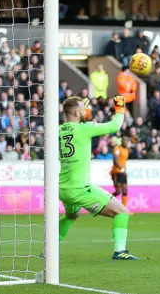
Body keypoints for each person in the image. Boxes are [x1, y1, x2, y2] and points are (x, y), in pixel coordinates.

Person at [58, 96, 139, 260]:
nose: (85, 111)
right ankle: (119, 251)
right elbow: (115, 125)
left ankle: (48, 249)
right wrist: (120, 107)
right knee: (122, 212)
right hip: (79, 188)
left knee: (71, 215)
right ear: (75, 112)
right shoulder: (84, 128)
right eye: (82, 108)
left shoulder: (58, 131)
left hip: (62, 187)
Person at [111, 137, 131, 207]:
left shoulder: (126, 150)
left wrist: (124, 170)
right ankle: (106, 201)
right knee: (118, 191)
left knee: (125, 190)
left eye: (127, 141)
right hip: (116, 172)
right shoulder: (117, 149)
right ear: (122, 141)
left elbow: (124, 162)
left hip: (122, 172)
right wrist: (121, 168)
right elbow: (115, 161)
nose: (125, 142)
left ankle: (124, 209)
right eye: (124, 140)